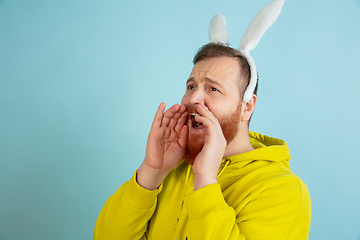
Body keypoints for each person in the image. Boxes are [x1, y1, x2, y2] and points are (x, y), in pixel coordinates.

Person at [93, 1, 311, 239]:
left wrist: (206, 177)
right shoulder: (170, 169)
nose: (194, 98)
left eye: (213, 89)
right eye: (191, 86)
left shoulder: (282, 190)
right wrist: (151, 172)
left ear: (246, 107)